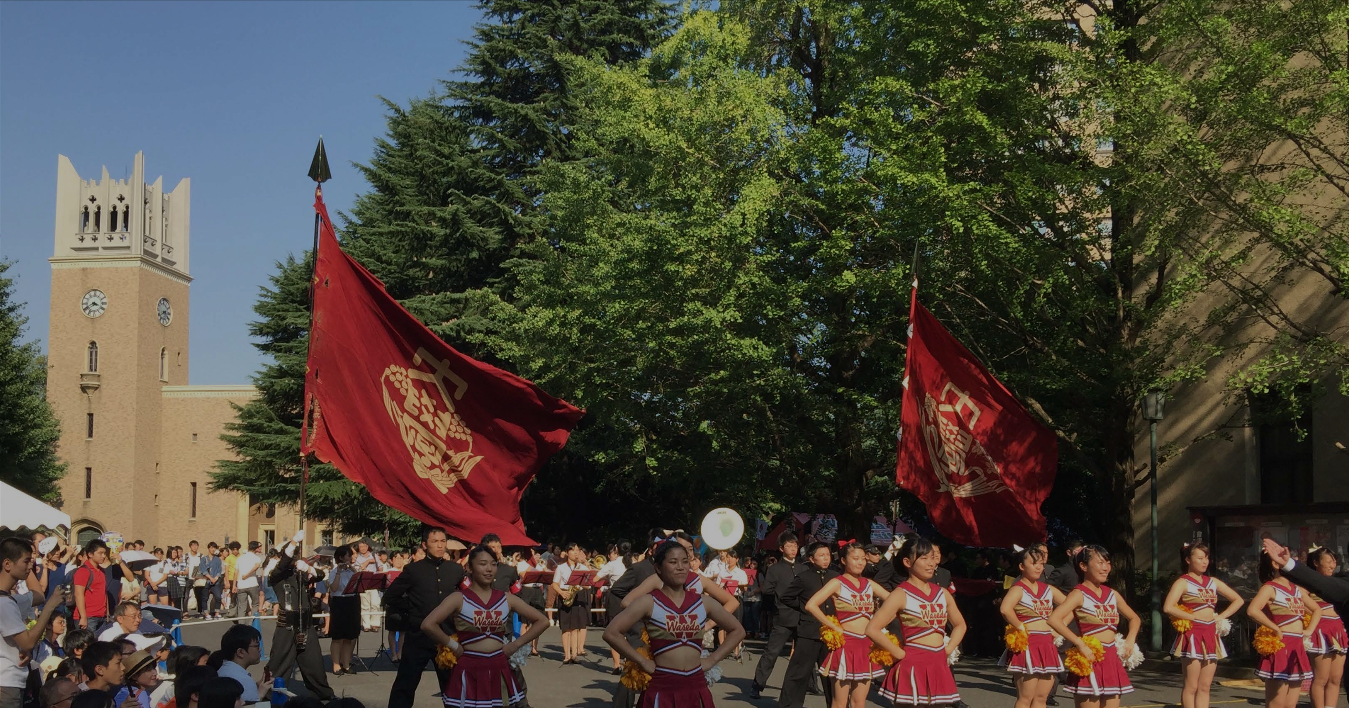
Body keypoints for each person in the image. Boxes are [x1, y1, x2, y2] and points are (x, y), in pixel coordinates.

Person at [603, 540, 746, 708]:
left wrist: (712, 659)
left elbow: (737, 630)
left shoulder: (703, 602)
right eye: (673, 562)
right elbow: (611, 633)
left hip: (696, 684)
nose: (681, 567)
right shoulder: (648, 602)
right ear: (658, 568)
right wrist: (642, 661)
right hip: (662, 685)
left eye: (685, 561)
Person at [419, 545, 548, 707]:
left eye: (493, 564)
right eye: (482, 564)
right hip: (469, 668)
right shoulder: (458, 598)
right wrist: (453, 646)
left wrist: (515, 645)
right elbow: (428, 624)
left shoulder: (506, 598)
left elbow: (543, 621)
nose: (489, 569)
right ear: (469, 568)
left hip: (498, 667)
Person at [867, 535, 966, 707]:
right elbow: (872, 629)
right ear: (907, 562)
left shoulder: (943, 593)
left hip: (938, 664)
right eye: (924, 558)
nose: (931, 563)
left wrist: (948, 649)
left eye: (933, 558)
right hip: (911, 665)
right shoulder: (901, 594)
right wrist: (899, 654)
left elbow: (960, 624)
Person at [1047, 545, 1140, 708]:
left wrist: (1130, 639)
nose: (1105, 568)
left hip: (1111, 658)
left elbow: (1134, 618)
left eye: (1107, 562)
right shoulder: (1078, 594)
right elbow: (1054, 619)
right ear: (1083, 566)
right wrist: (1080, 643)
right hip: (1089, 658)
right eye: (1100, 563)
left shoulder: (1112, 594)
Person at [384, 527, 466, 708]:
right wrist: (413, 608)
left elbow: (468, 597)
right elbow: (390, 597)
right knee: (405, 685)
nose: (439, 545)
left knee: (452, 688)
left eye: (443, 541)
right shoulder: (413, 570)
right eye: (434, 541)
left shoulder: (456, 569)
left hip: (447, 637)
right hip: (418, 636)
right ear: (424, 544)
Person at [806, 541, 889, 708]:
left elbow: (894, 602)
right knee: (839, 702)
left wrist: (880, 624)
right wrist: (834, 626)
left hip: (866, 645)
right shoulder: (837, 583)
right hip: (845, 646)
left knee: (859, 702)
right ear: (843, 560)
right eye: (855, 558)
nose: (860, 562)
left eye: (863, 559)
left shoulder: (869, 584)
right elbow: (811, 605)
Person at [1163, 543, 1244, 708]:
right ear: (1187, 560)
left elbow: (1238, 600)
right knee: (1191, 685)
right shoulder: (1182, 582)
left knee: (1205, 686)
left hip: (1210, 634)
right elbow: (1168, 607)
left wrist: (1220, 617)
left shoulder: (1212, 581)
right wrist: (1191, 617)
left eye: (1206, 557)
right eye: (1200, 558)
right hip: (1192, 634)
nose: (1204, 561)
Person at [1248, 546, 1318, 708]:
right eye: (1288, 560)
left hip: (1297, 646)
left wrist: (1308, 631)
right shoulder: (1270, 588)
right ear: (1276, 563)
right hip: (1280, 646)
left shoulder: (1297, 590)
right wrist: (1275, 628)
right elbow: (1252, 610)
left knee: (1290, 704)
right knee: (1276, 703)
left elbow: (1317, 610)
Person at [265, 534, 333, 701]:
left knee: (314, 662)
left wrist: (308, 569)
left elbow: (320, 575)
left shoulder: (300, 573)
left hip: (306, 623)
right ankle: (268, 694)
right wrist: (294, 541)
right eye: (292, 554)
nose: (294, 558)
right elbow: (283, 563)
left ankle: (321, 692)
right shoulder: (276, 574)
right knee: (279, 662)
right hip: (287, 625)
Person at [999, 544, 1067, 708]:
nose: (1038, 567)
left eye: (1041, 564)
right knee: (1025, 698)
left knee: (1041, 698)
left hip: (1047, 644)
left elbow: (1071, 605)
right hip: (1027, 645)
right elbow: (1005, 609)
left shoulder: (1048, 589)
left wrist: (1059, 626)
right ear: (1022, 566)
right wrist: (1020, 626)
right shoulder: (1018, 589)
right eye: (1034, 563)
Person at [2, 537, 67, 708]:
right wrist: (49, 608)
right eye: (26, 561)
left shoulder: (11, 599)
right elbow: (28, 642)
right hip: (5, 682)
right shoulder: (4, 604)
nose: (31, 566)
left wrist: (27, 563)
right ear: (7, 564)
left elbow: (38, 595)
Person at [780, 542, 838, 708]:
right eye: (821, 555)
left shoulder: (835, 577)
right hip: (809, 630)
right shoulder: (804, 577)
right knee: (799, 672)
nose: (826, 558)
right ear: (811, 559)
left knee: (832, 674)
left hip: (832, 632)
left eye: (827, 555)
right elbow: (787, 597)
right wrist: (805, 609)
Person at [750, 531, 801, 700]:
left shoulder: (804, 567)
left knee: (805, 652)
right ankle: (757, 684)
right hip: (783, 617)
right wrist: (779, 604)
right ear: (781, 548)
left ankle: (810, 684)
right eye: (789, 545)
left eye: (795, 545)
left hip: (803, 616)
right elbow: (768, 590)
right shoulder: (776, 569)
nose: (793, 549)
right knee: (772, 652)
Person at [1300, 547, 1347, 708]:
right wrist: (1316, 612)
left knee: (1336, 678)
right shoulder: (1308, 584)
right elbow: (1298, 600)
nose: (1332, 565)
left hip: (1338, 629)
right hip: (1320, 630)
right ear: (1315, 563)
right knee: (1321, 677)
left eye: (1334, 561)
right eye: (1328, 561)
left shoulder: (1336, 582)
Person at [552, 543, 594, 664]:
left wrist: (584, 584)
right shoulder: (561, 567)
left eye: (577, 550)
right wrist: (561, 592)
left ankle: (574, 655)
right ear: (567, 552)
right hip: (565, 594)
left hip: (577, 596)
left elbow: (588, 585)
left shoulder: (582, 567)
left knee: (575, 627)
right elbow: (555, 583)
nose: (576, 553)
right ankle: (567, 655)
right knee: (566, 627)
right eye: (573, 550)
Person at [325, 545, 360, 675]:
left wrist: (351, 567)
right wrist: (339, 572)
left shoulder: (352, 571)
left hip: (352, 601)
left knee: (349, 636)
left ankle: (346, 664)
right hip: (339, 602)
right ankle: (336, 664)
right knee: (338, 636)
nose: (351, 558)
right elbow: (333, 588)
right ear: (341, 557)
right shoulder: (334, 571)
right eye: (348, 555)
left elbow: (360, 581)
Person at [216, 624, 269, 704]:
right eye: (257, 646)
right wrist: (260, 695)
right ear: (240, 652)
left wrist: (257, 686)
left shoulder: (223, 670)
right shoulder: (244, 681)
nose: (260, 649)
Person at [72, 540, 112, 633]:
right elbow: (78, 594)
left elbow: (103, 593)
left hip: (101, 617)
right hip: (88, 617)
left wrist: (107, 614)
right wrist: (83, 616)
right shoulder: (83, 571)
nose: (103, 556)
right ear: (90, 554)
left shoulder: (101, 571)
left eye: (104, 553)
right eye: (100, 553)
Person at [231, 543, 262, 619]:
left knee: (242, 606)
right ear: (256, 549)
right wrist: (247, 575)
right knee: (255, 604)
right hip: (252, 584)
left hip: (241, 585)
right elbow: (256, 567)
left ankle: (241, 625)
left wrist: (234, 585)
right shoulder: (257, 558)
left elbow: (236, 572)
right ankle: (252, 622)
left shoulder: (240, 558)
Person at [198, 545, 223, 620]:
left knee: (218, 596)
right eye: (211, 548)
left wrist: (216, 578)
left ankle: (217, 613)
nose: (213, 549)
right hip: (206, 580)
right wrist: (210, 578)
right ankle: (206, 613)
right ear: (208, 548)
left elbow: (219, 570)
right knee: (205, 597)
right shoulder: (204, 559)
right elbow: (203, 570)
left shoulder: (218, 559)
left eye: (214, 548)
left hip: (216, 581)